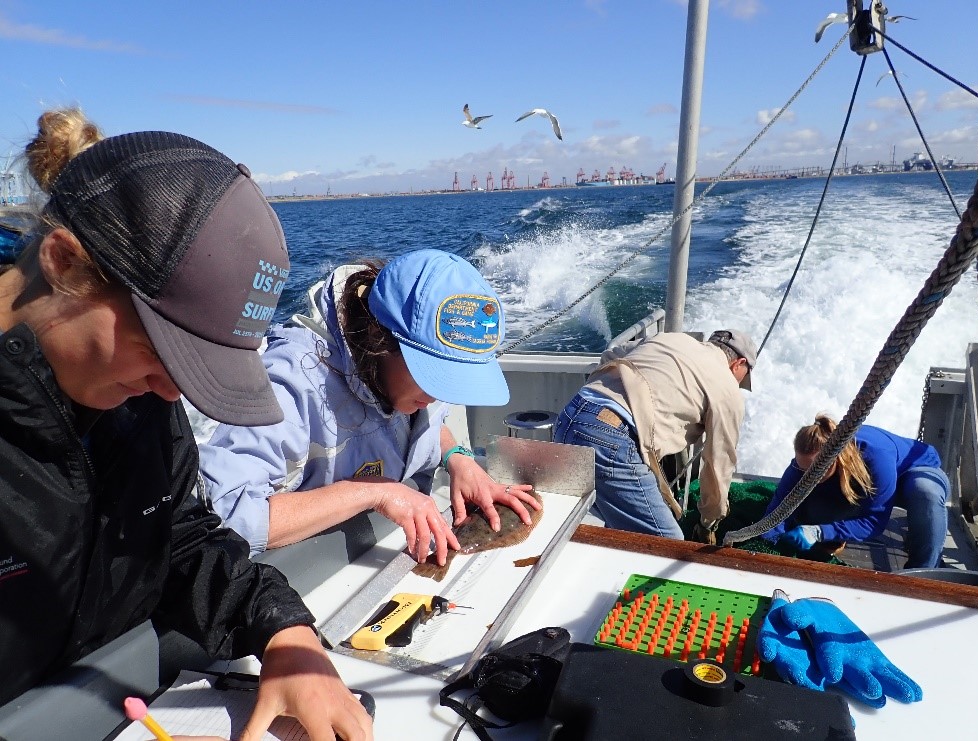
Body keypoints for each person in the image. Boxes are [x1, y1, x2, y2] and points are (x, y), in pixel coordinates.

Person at [0, 109, 372, 740]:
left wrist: (284, 632)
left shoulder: (136, 396)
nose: (175, 390)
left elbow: (176, 536)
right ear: (64, 261)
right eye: (166, 350)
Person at [199, 249, 540, 565]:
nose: (436, 395)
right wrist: (372, 493)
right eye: (432, 375)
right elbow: (227, 516)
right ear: (381, 339)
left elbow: (427, 420)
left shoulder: (400, 381)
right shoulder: (291, 384)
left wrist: (457, 459)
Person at [552, 328, 756, 541]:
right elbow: (719, 464)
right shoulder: (728, 389)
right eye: (744, 378)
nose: (740, 385)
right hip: (611, 438)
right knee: (667, 543)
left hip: (571, 415)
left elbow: (610, 356)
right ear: (739, 364)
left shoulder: (671, 338)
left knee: (621, 526)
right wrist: (708, 522)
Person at [762, 415, 950, 569]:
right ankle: (832, 537)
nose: (808, 476)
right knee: (811, 506)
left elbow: (875, 522)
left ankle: (923, 569)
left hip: (913, 470)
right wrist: (768, 540)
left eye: (815, 472)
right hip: (858, 478)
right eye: (803, 470)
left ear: (835, 458)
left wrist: (819, 532)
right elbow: (780, 506)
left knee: (926, 494)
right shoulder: (802, 465)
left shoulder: (875, 456)